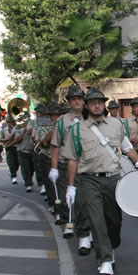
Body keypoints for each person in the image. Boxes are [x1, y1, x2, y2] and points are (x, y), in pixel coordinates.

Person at [63, 88, 138, 275]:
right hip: (89, 179)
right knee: (96, 219)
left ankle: (110, 246)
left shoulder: (116, 125)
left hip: (113, 178)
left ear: (104, 105)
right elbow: (72, 159)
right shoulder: (77, 130)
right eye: (92, 102)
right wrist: (71, 186)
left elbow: (126, 147)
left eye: (100, 102)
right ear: (87, 106)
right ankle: (105, 261)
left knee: (114, 220)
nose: (96, 105)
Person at [49, 85, 86, 235]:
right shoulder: (62, 122)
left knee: (82, 200)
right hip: (66, 163)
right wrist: (54, 168)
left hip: (84, 165)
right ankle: (68, 222)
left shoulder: (89, 118)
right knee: (66, 197)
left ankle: (82, 227)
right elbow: (55, 145)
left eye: (79, 98)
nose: (77, 102)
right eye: (73, 99)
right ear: (69, 102)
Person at [37, 103, 62, 215]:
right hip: (48, 158)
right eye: (53, 115)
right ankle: (54, 206)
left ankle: (64, 209)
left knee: (63, 187)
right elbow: (44, 142)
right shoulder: (44, 128)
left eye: (58, 115)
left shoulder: (66, 126)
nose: (55, 117)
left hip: (63, 159)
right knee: (51, 185)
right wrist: (55, 128)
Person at [14, 112, 36, 192]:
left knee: (32, 169)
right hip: (22, 151)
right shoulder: (19, 129)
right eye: (25, 118)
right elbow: (16, 140)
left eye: (28, 118)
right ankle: (28, 184)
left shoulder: (33, 126)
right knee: (25, 168)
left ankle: (29, 180)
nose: (27, 120)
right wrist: (24, 132)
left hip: (32, 152)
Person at [0, 116, 20, 184]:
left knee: (17, 163)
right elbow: (0, 139)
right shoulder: (3, 130)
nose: (10, 123)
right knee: (11, 162)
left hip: (16, 147)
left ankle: (13, 172)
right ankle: (13, 176)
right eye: (9, 122)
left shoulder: (17, 129)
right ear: (7, 122)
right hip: (8, 147)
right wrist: (5, 140)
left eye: (11, 122)